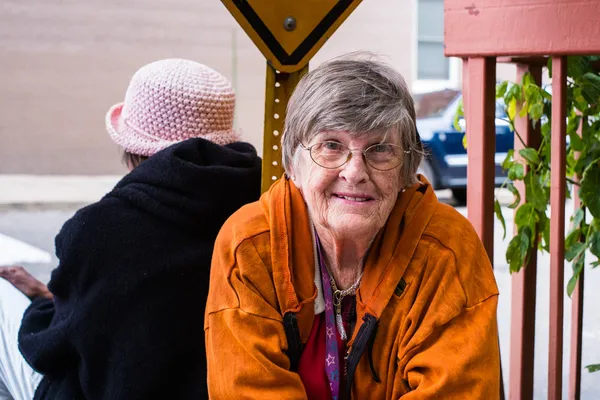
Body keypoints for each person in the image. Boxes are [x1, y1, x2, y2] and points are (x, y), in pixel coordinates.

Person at [205, 54, 501, 399]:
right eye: (331, 146)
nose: (354, 172)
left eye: (379, 150)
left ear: (406, 169)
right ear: (292, 164)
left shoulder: (447, 249)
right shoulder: (251, 246)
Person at [0, 58, 261, 400]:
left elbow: (52, 348)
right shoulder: (263, 204)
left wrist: (43, 306)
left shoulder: (100, 228)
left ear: (133, 148)